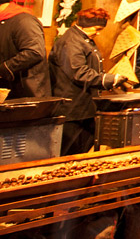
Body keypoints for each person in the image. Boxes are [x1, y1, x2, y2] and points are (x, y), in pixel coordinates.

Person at [49, 8, 130, 156]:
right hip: (72, 110)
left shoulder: (82, 40)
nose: (98, 33)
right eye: (97, 28)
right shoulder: (71, 42)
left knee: (82, 152)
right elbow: (79, 72)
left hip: (82, 109)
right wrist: (108, 79)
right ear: (85, 25)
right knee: (71, 154)